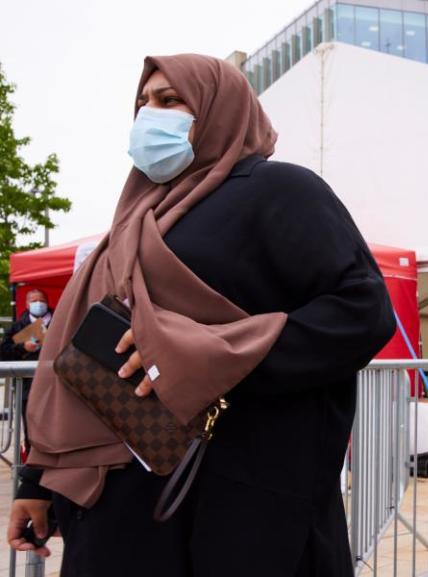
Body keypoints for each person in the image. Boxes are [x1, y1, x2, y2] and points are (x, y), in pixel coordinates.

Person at [5, 54, 396, 577]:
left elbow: (363, 312)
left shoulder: (280, 190)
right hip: (116, 506)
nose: (150, 116)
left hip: (237, 503)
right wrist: (36, 483)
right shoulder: (136, 219)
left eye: (169, 101)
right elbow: (73, 360)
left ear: (220, 109)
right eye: (142, 103)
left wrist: (203, 354)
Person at [1, 289, 55, 448]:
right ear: (26, 304)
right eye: (33, 300)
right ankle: (33, 460)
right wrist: (23, 348)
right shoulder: (16, 327)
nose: (38, 304)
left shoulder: (61, 320)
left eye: (41, 300)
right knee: (32, 426)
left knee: (57, 424)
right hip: (28, 387)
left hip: (57, 383)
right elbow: (4, 353)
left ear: (47, 301)